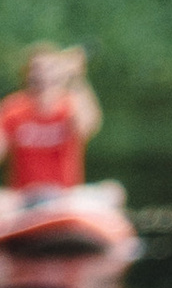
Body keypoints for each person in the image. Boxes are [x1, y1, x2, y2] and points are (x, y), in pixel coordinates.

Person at [1, 43, 101, 191]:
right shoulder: (13, 108)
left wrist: (76, 78)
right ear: (27, 73)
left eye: (49, 69)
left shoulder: (71, 105)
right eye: (37, 69)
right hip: (24, 197)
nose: (43, 75)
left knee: (114, 190)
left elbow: (87, 126)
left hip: (65, 196)